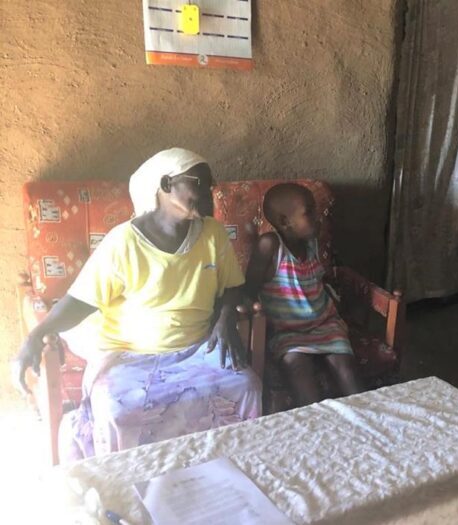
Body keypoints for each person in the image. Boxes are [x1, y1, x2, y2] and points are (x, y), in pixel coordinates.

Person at [13, 148, 262, 461]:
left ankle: (224, 472)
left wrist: (226, 319)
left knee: (247, 385)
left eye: (211, 186)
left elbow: (233, 286)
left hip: (198, 349)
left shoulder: (212, 234)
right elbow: (79, 301)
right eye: (199, 184)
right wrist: (37, 334)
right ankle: (135, 483)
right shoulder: (123, 243)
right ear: (167, 184)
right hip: (131, 357)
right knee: (119, 409)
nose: (209, 194)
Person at [245, 183, 363, 407]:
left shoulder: (313, 244)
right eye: (309, 212)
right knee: (298, 369)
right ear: (284, 222)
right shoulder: (270, 246)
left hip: (326, 325)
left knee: (347, 370)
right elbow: (249, 287)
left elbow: (324, 280)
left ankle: (366, 421)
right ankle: (317, 426)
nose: (318, 217)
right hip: (289, 333)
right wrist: (255, 319)